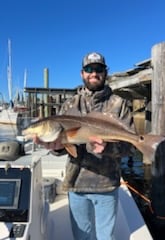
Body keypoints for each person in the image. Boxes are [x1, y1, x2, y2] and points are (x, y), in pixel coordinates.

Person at [35, 52, 134, 240]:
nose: (93, 73)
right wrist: (56, 147)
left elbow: (130, 148)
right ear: (82, 73)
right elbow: (63, 147)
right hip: (76, 184)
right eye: (89, 69)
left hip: (106, 184)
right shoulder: (71, 104)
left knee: (107, 237)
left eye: (98, 69)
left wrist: (107, 148)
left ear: (105, 73)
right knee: (82, 237)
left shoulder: (119, 104)